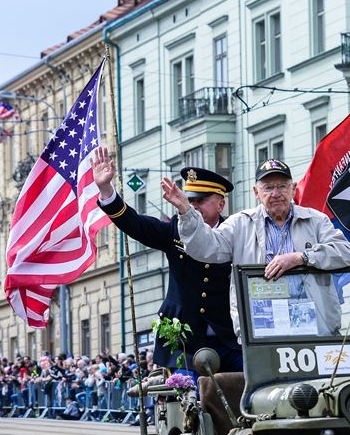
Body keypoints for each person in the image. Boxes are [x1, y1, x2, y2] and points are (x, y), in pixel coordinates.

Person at [92, 146, 242, 371]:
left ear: (221, 204)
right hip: (185, 342)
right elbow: (135, 223)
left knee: (249, 391)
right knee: (186, 397)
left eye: (201, 200)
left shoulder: (235, 232)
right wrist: (106, 190)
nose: (193, 206)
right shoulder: (175, 230)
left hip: (229, 338)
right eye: (189, 200)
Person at [173, 158, 350, 336]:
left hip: (316, 330)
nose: (276, 193)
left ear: (293, 189)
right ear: (256, 192)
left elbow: (346, 252)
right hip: (262, 332)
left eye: (282, 186)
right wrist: (186, 212)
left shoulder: (315, 220)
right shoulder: (240, 224)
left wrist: (301, 257)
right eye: (268, 187)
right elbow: (206, 248)